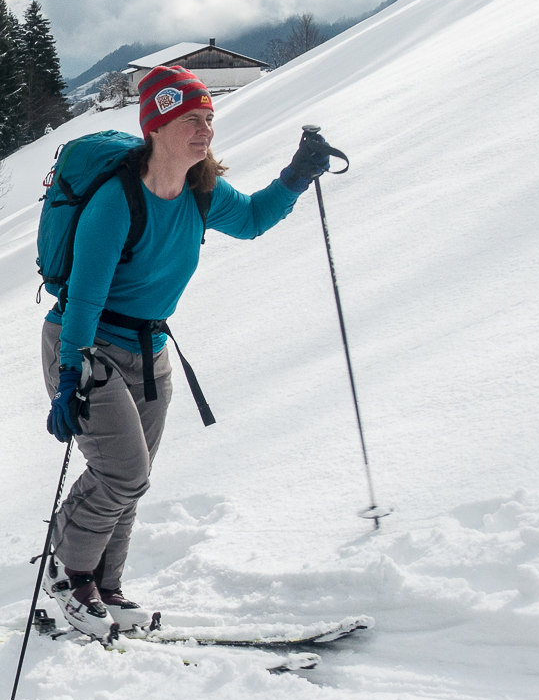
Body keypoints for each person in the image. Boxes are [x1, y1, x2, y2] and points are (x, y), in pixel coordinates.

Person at [42, 66, 333, 629]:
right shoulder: (116, 202)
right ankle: (68, 573)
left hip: (149, 349)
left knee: (134, 474)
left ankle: (106, 586)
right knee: (123, 472)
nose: (204, 131)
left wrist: (296, 177)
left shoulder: (201, 190)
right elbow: (83, 297)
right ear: (156, 125)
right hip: (88, 342)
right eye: (191, 120)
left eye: (208, 119)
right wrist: (70, 372)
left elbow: (249, 220)